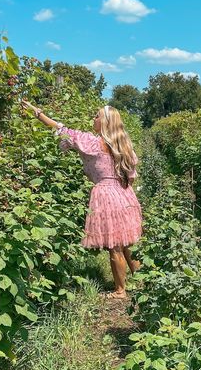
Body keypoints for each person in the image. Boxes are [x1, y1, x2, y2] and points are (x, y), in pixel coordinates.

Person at [22, 100, 142, 299]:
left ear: (105, 122)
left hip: (106, 195)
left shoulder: (94, 142)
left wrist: (39, 114)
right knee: (126, 242)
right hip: (124, 193)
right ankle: (141, 279)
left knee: (114, 246)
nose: (93, 119)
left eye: (96, 116)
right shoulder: (123, 145)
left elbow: (63, 130)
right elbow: (131, 176)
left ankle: (120, 290)